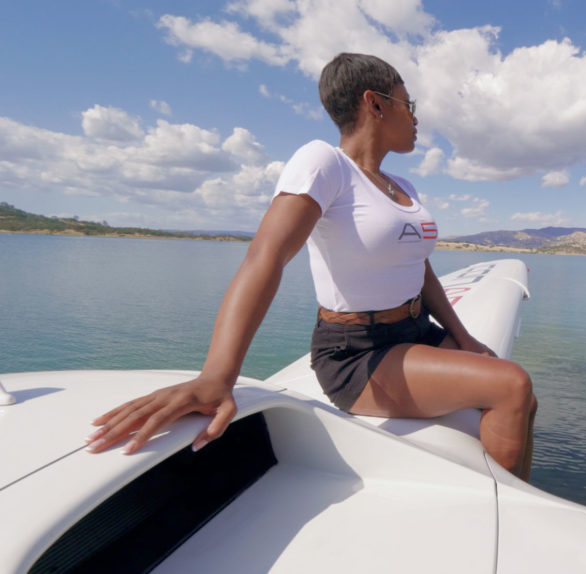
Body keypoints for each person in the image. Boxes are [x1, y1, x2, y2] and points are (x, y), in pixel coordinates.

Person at [85, 53, 537, 480]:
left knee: (523, 395)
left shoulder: (403, 185)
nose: (416, 117)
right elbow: (267, 256)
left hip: (415, 330)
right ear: (375, 103)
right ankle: (517, 521)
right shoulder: (326, 163)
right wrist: (216, 377)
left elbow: (418, 267)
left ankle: (519, 493)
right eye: (408, 103)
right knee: (511, 385)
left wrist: (463, 336)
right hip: (359, 352)